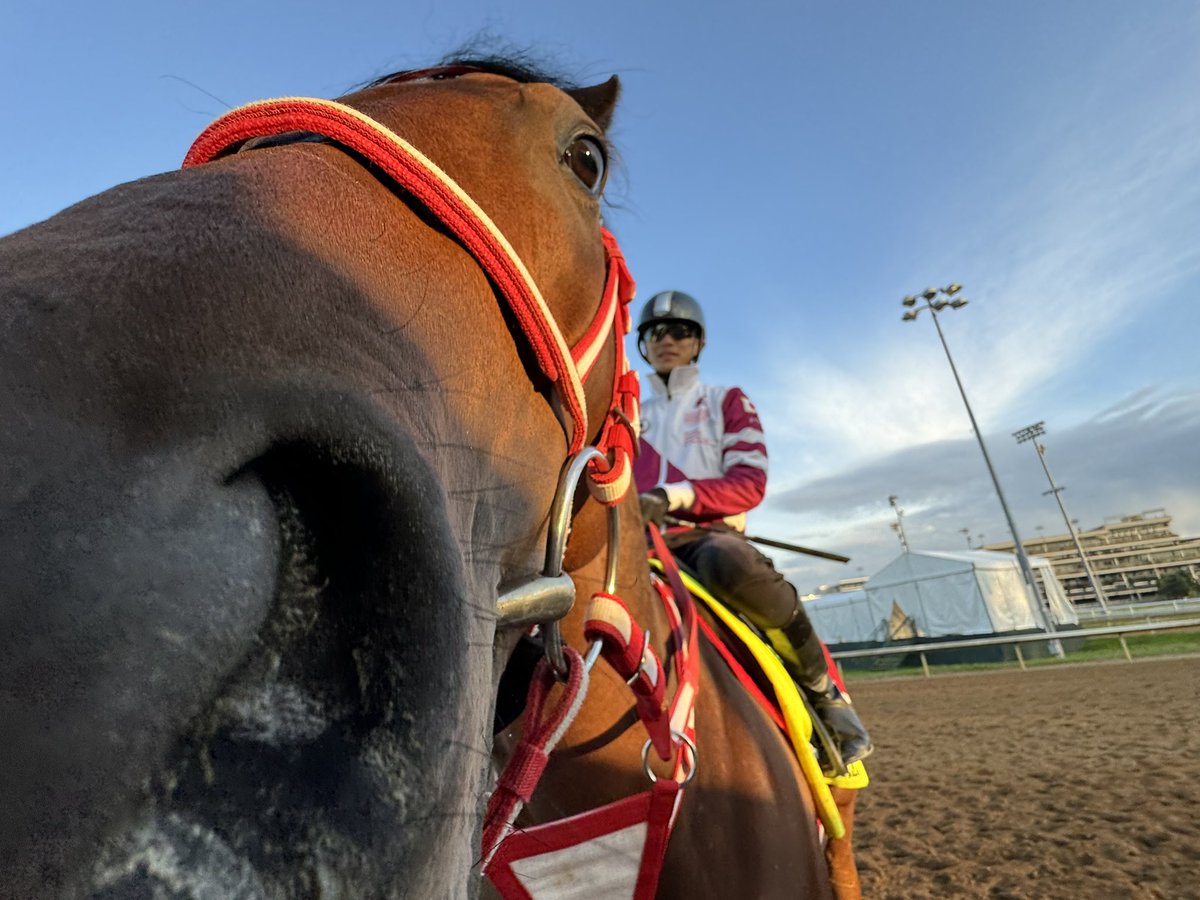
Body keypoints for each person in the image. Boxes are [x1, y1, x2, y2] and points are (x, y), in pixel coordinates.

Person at [633, 289, 872, 766]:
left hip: (705, 539)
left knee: (734, 566)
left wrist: (671, 497)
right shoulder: (628, 411)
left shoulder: (726, 401)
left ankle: (825, 695)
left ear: (698, 343)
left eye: (680, 331)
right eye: (655, 332)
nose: (667, 340)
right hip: (637, 546)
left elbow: (749, 482)